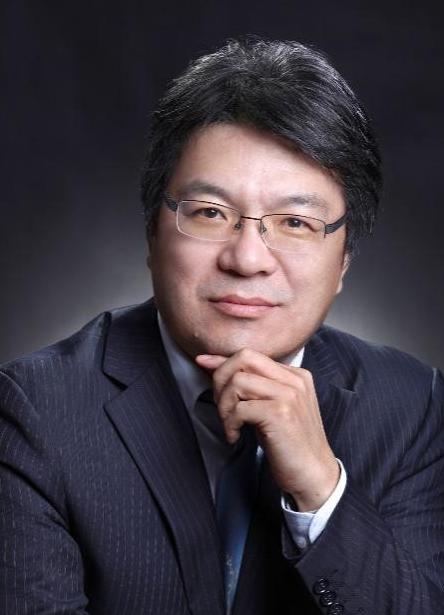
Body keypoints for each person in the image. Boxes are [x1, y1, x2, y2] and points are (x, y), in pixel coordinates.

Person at [0, 39, 443, 615]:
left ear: (344, 262)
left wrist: (321, 489)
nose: (248, 258)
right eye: (211, 213)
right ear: (152, 233)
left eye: (296, 222)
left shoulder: (411, 407)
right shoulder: (35, 410)